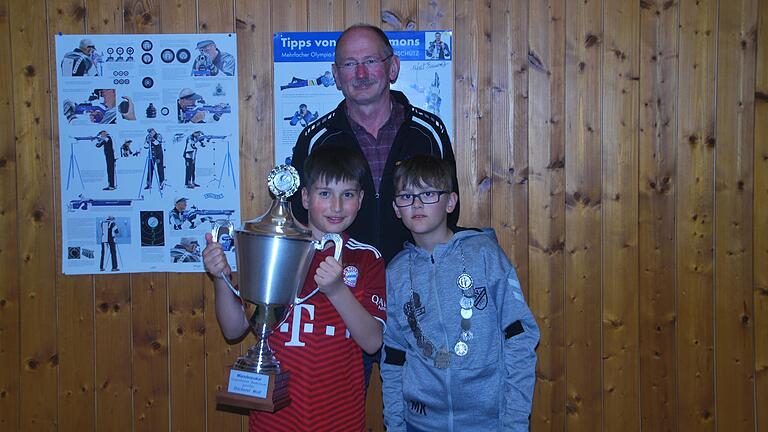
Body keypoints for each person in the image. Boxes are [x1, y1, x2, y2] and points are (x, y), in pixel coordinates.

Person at [289, 24, 461, 385]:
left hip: (417, 299)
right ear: (336, 75)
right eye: (349, 64)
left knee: (424, 410)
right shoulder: (315, 139)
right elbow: (297, 218)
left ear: (393, 67)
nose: (361, 73)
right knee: (332, 409)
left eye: (371, 61)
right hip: (343, 298)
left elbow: (450, 212)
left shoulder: (429, 132)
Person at [203, 145, 386, 432]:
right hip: (274, 420)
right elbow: (234, 328)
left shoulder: (366, 258)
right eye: (325, 193)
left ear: (361, 199)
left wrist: (338, 291)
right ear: (305, 197)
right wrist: (221, 278)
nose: (336, 206)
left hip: (340, 419)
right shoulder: (277, 247)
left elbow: (373, 342)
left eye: (347, 194)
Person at [381, 155, 539, 431]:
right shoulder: (395, 273)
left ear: (450, 202)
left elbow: (520, 336)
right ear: (396, 208)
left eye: (428, 194)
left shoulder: (485, 255)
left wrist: (514, 421)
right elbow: (393, 356)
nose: (416, 203)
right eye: (406, 196)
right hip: (422, 423)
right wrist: (395, 424)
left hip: (490, 421)